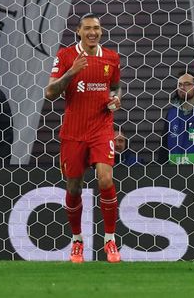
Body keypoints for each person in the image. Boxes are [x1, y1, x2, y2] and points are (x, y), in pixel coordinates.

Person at [45, 13, 122, 263]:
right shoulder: (66, 56)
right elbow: (50, 93)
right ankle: (77, 240)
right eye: (88, 28)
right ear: (78, 31)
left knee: (105, 179)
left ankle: (110, 240)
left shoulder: (111, 57)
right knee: (73, 187)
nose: (93, 32)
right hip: (74, 132)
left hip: (101, 128)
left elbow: (115, 87)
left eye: (97, 28)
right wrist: (71, 72)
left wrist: (115, 99)